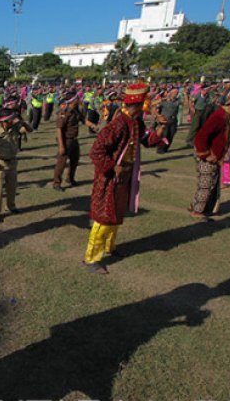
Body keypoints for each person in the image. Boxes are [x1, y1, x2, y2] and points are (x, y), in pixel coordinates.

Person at [84, 83, 168, 274]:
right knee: (104, 217)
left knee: (116, 213)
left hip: (124, 177)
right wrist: (114, 167)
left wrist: (162, 127)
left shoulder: (136, 122)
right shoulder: (118, 124)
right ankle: (91, 258)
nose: (150, 104)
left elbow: (147, 141)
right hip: (110, 178)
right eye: (147, 101)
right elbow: (96, 152)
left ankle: (109, 248)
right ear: (138, 103)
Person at [190, 88, 230, 220]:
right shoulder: (219, 116)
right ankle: (197, 211)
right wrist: (206, 154)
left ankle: (197, 206)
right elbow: (201, 136)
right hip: (208, 155)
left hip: (216, 156)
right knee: (206, 183)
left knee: (211, 183)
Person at [0, 108, 31, 223]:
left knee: (12, 187)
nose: (12, 120)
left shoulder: (15, 127)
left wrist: (22, 122)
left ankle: (11, 206)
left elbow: (29, 130)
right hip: (0, 164)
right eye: (10, 119)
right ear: (4, 121)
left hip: (12, 162)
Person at [53, 91, 83, 191]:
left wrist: (92, 125)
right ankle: (56, 183)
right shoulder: (64, 112)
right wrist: (61, 146)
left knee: (75, 160)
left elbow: (83, 119)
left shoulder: (76, 110)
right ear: (73, 100)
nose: (79, 100)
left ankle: (70, 179)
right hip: (66, 140)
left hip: (74, 140)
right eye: (77, 98)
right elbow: (59, 129)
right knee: (61, 163)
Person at [156, 88, 180, 153]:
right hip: (165, 120)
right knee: (164, 135)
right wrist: (158, 116)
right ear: (171, 92)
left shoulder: (177, 101)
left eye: (177, 92)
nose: (176, 94)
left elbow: (186, 103)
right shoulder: (164, 100)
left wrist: (186, 94)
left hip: (173, 120)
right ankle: (160, 149)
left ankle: (166, 148)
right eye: (175, 92)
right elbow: (155, 107)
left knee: (171, 135)